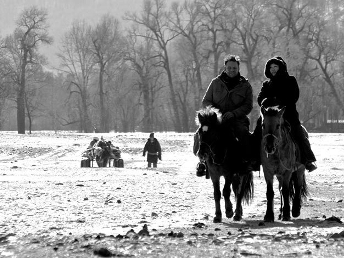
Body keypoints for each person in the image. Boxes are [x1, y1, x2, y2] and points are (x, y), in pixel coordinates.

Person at [252, 56, 317, 172]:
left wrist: (277, 100)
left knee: (298, 132)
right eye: (270, 67)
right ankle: (254, 159)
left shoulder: (291, 80)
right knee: (257, 130)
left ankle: (308, 159)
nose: (273, 69)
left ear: (281, 67)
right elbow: (260, 98)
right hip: (269, 115)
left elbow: (293, 96)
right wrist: (266, 101)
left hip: (288, 114)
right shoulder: (266, 84)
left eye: (275, 66)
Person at [194, 54, 253, 177]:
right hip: (216, 120)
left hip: (237, 120)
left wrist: (233, 113)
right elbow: (206, 101)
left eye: (234, 68)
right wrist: (216, 114)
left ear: (238, 69)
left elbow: (248, 106)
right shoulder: (215, 83)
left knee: (243, 133)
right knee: (201, 133)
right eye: (229, 68)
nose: (232, 70)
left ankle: (246, 162)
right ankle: (202, 162)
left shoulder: (245, 85)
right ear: (225, 68)